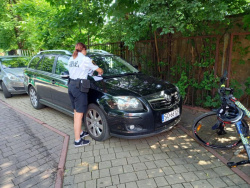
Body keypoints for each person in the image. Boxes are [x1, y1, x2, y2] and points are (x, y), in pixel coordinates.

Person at [68, 42, 103, 147]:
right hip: (79, 88)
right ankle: (78, 141)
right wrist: (101, 71)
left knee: (76, 113)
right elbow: (99, 70)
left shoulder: (71, 59)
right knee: (79, 116)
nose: (86, 52)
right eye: (86, 50)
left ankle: (80, 133)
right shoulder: (85, 59)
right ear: (83, 49)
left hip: (71, 86)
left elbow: (79, 71)